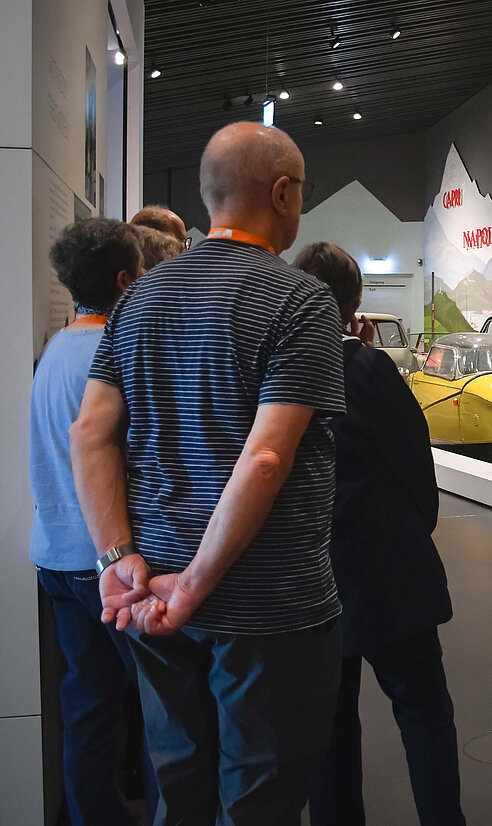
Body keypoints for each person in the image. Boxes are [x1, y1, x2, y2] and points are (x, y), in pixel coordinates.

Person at [70, 121, 345, 824]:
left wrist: (115, 557)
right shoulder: (301, 300)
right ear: (281, 194)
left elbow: (90, 433)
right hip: (268, 606)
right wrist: (195, 585)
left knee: (178, 789)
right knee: (259, 802)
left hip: (151, 593)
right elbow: (266, 457)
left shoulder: (137, 298)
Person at [294, 242, 465, 826]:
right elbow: (415, 461)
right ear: (355, 303)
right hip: (391, 571)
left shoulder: (280, 368)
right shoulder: (369, 368)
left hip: (310, 579)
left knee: (328, 729)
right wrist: (416, 529)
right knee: (424, 712)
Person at [30, 218, 153, 825]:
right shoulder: (116, 352)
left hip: (55, 556)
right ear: (126, 281)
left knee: (88, 705)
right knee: (161, 709)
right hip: (109, 561)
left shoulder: (55, 349)